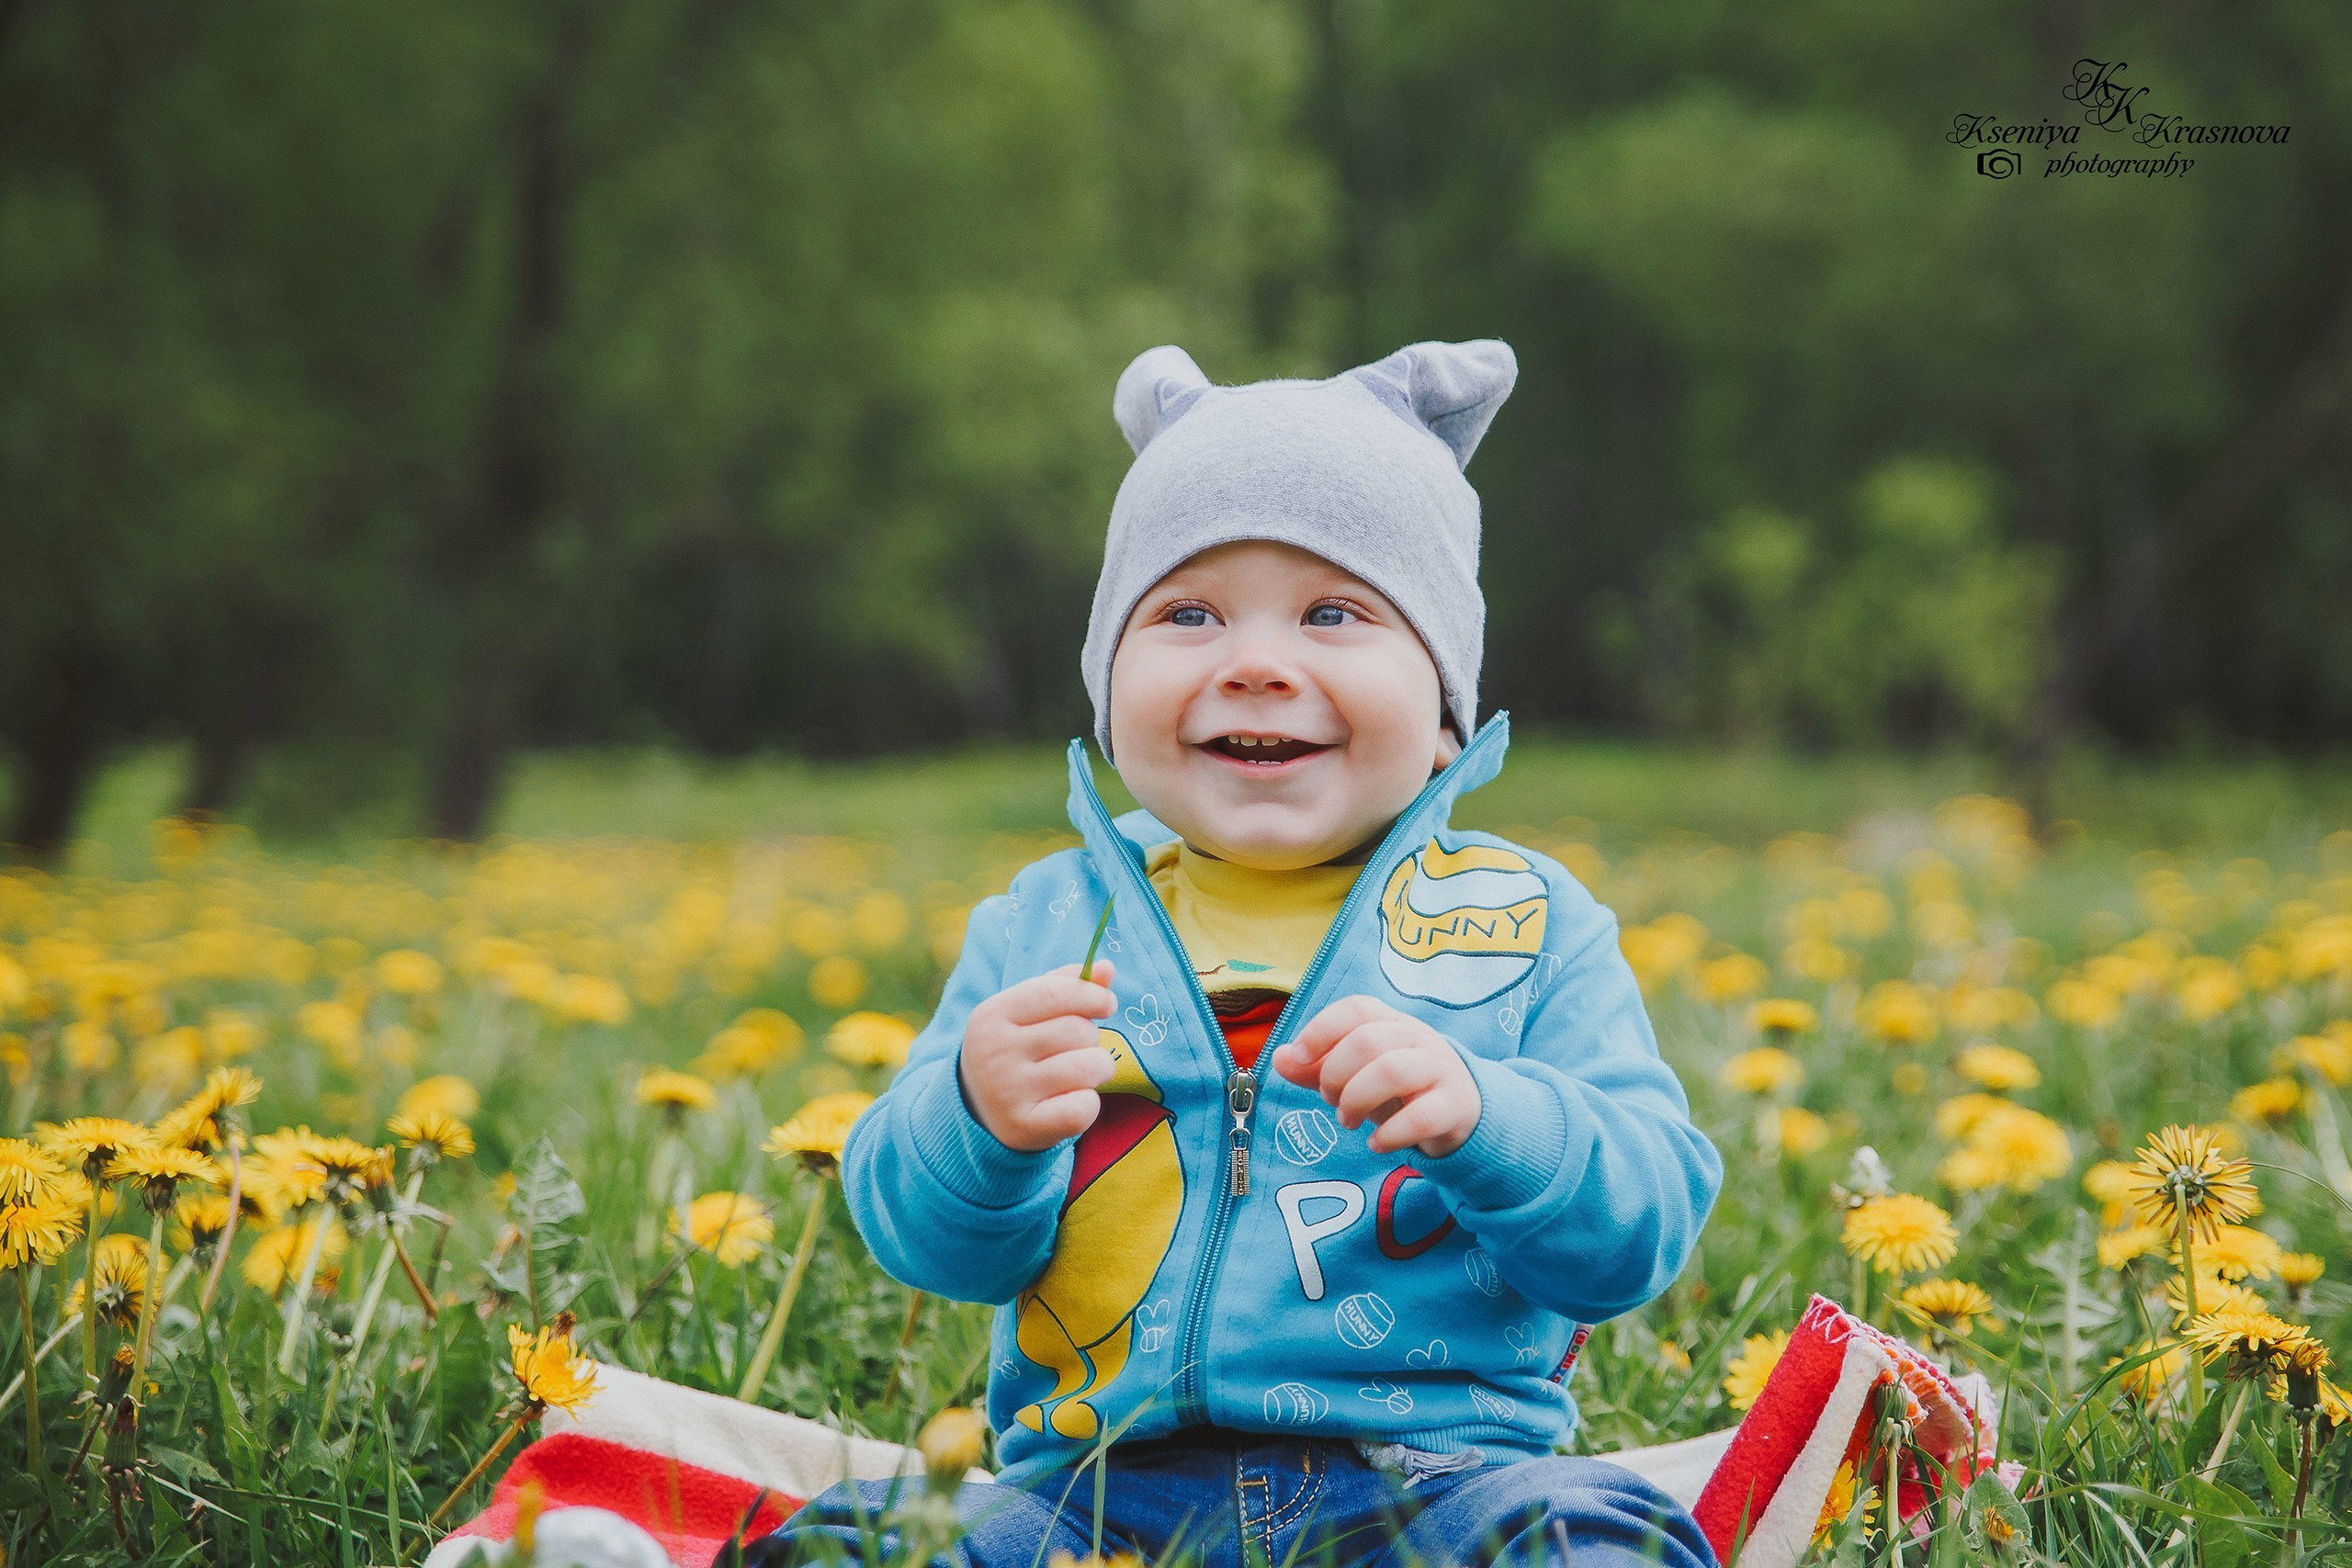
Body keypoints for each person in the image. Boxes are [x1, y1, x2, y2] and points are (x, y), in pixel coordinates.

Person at [752, 341, 1724, 1568]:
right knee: (879, 1541)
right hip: (1089, 1496)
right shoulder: (1050, 924)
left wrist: (1492, 1116)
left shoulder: (1526, 923)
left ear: (1441, 711)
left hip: (1433, 1482)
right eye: (1188, 613)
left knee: (1584, 1536)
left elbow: (1642, 1228)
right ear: (1112, 689)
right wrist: (973, 1121)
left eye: (1334, 612)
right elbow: (926, 1240)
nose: (1256, 662)